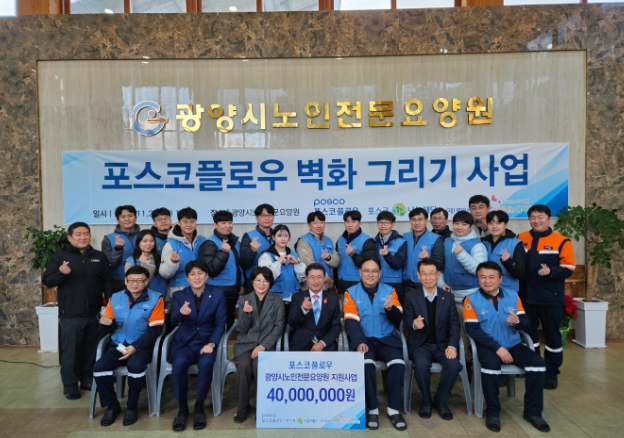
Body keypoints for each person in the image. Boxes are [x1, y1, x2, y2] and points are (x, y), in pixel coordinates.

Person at [463, 262, 549, 433]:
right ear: (478, 279)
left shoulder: (512, 296)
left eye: (491, 277)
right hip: (487, 345)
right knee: (490, 365)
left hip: (513, 343)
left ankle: (533, 412)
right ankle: (493, 412)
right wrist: (497, 348)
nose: (487, 281)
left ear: (500, 279)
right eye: (482, 277)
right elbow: (472, 329)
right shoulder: (471, 299)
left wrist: (517, 322)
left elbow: (525, 322)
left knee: (538, 364)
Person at [42, 222, 113, 400]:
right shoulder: (59, 257)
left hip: (94, 312)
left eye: (86, 234)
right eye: (78, 234)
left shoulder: (99, 256)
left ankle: (87, 380)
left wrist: (110, 305)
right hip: (71, 314)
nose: (83, 237)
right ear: (70, 238)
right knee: (71, 351)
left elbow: (107, 281)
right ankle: (70, 385)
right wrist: (61, 273)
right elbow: (48, 281)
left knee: (91, 349)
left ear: (90, 236)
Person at [93, 266, 165, 427]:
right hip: (118, 344)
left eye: (139, 280)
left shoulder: (156, 298)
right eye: (131, 280)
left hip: (141, 346)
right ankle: (112, 405)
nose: (135, 284)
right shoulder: (115, 298)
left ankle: (132, 407)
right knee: (99, 368)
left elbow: (155, 330)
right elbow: (107, 327)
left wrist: (136, 346)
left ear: (146, 282)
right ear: (126, 281)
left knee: (136, 368)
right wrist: (105, 324)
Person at [343, 256, 407, 431]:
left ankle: (394, 409)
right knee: (366, 364)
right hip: (365, 340)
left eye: (374, 271)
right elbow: (351, 321)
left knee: (398, 363)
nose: (370, 274)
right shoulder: (350, 292)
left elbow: (398, 318)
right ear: (360, 272)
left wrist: (391, 309)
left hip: (387, 339)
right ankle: (372, 409)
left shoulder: (390, 291)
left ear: (380, 273)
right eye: (366, 271)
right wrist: (359, 342)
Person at [518, 204, 576, 390]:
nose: (536, 221)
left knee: (552, 337)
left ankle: (551, 373)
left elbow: (569, 268)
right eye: (533, 217)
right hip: (526, 298)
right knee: (529, 336)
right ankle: (533, 367)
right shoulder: (521, 238)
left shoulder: (561, 241)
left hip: (550, 298)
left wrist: (551, 271)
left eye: (540, 217)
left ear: (549, 219)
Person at [170, 261, 227, 432]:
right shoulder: (179, 296)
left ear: (206, 276)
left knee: (206, 363)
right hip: (185, 343)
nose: (197, 277)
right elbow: (173, 322)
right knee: (179, 364)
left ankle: (199, 406)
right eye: (192, 274)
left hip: (206, 342)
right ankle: (182, 408)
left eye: (200, 273)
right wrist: (181, 314)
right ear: (187, 278)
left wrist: (212, 343)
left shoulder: (217, 294)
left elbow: (220, 324)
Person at [403, 258, 460, 421]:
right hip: (421, 345)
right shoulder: (410, 296)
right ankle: (426, 401)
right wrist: (414, 325)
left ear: (438, 275)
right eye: (424, 274)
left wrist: (452, 346)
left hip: (443, 345)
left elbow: (454, 324)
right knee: (421, 366)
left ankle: (441, 401)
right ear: (418, 276)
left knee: (453, 365)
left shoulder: (448, 297)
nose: (428, 278)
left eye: (431, 274)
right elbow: (406, 321)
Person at [233, 267, 285, 423]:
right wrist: (247, 314)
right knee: (243, 365)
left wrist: (263, 346)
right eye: (258, 280)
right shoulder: (244, 300)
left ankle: (262, 407)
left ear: (270, 283)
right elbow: (242, 329)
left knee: (258, 365)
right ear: (252, 282)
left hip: (266, 345)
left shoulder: (277, 300)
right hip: (245, 344)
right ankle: (243, 407)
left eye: (265, 281)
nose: (261, 284)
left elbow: (279, 327)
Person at [198, 210, 243, 329]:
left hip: (232, 290)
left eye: (230, 222)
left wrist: (241, 284)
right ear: (215, 224)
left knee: (229, 323)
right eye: (223, 223)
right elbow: (210, 270)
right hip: (216, 291)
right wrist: (223, 252)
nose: (228, 225)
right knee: (217, 325)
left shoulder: (234, 241)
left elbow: (237, 265)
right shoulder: (209, 243)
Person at [288, 263, 341, 352]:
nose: (316, 281)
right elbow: (292, 323)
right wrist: (303, 310)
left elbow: (336, 326)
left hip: (325, 344)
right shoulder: (297, 297)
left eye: (319, 277)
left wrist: (322, 343)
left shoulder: (333, 300)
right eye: (312, 277)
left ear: (324, 279)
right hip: (301, 343)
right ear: (306, 278)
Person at [439, 210, 488, 305]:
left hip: (470, 294)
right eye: (456, 223)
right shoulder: (447, 241)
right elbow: (441, 266)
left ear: (471, 226)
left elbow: (480, 271)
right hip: (448, 294)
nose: (459, 227)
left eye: (464, 224)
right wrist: (441, 283)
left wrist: (462, 255)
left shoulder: (477, 245)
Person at [160, 207, 207, 299]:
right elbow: (164, 273)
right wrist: (172, 263)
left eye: (192, 221)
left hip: (202, 289)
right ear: (178, 223)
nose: (189, 225)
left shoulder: (203, 240)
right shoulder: (171, 244)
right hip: (180, 289)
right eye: (185, 222)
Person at [258, 224, 306, 314]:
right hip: (275, 300)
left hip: (293, 297)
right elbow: (265, 278)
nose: (283, 239)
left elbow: (303, 277)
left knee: (292, 322)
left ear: (289, 238)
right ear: (273, 237)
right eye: (279, 236)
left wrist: (297, 263)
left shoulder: (293, 254)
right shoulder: (266, 256)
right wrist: (278, 262)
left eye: (286, 236)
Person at [295, 211, 340, 290]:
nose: (319, 225)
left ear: (324, 224)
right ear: (309, 225)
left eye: (321, 222)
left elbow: (336, 262)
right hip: (311, 287)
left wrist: (328, 258)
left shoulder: (328, 240)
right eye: (315, 223)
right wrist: (325, 277)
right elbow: (309, 264)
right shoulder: (303, 241)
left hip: (327, 286)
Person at [482, 210, 525, 293]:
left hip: (507, 292)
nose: (494, 226)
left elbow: (520, 274)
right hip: (486, 291)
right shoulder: (484, 244)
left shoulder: (515, 244)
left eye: (498, 223)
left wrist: (508, 261)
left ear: (505, 224)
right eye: (490, 223)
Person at [403, 207, 444, 292]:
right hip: (405, 284)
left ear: (426, 221)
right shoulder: (404, 237)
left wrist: (427, 258)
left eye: (420, 219)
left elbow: (440, 264)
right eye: (413, 220)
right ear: (410, 221)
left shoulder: (435, 238)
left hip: (425, 285)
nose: (417, 223)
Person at [336, 210, 377, 294]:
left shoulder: (367, 241)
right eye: (347, 222)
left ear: (359, 223)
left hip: (358, 284)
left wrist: (353, 255)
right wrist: (336, 283)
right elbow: (337, 263)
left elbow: (370, 266)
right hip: (341, 283)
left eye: (353, 221)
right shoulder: (340, 239)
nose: (350, 225)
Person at [101, 205, 141, 292]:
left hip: (142, 280)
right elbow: (108, 265)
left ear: (136, 218)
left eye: (130, 216)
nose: (127, 219)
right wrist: (117, 249)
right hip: (118, 282)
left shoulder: (145, 236)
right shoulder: (108, 238)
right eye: (123, 217)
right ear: (118, 220)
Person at [373, 211, 408, 302]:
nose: (383, 225)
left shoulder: (401, 242)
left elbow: (399, 263)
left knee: (396, 309)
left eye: (386, 223)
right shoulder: (373, 242)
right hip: (376, 282)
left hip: (394, 283)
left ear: (393, 224)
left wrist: (387, 255)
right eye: (380, 222)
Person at [241, 203, 275, 292]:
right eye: (263, 216)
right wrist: (252, 251)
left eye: (270, 215)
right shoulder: (249, 236)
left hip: (274, 279)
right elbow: (243, 263)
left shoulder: (277, 235)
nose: (267, 218)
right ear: (256, 218)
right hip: (254, 280)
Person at [124, 229, 167, 300]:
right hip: (139, 299)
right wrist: (143, 264)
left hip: (159, 297)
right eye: (145, 241)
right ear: (138, 243)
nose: (148, 244)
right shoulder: (130, 261)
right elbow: (133, 283)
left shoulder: (160, 258)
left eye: (151, 241)